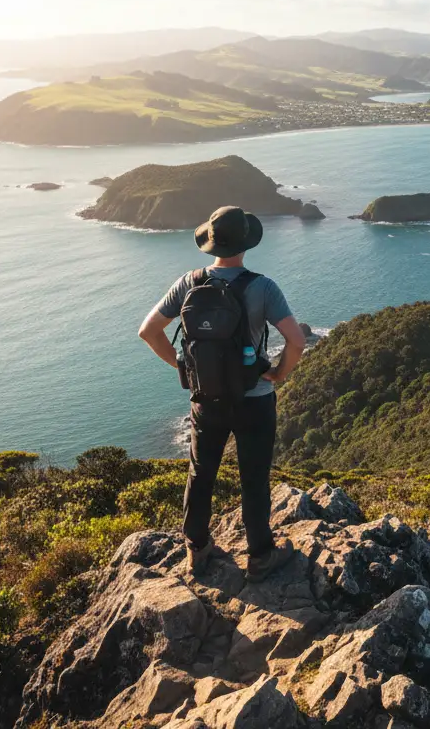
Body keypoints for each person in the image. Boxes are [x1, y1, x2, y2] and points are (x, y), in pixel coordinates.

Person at [138, 205, 306, 578]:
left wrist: (185, 369)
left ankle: (197, 549)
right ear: (246, 243)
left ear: (211, 242)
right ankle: (260, 555)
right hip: (254, 399)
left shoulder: (189, 282)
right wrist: (278, 374)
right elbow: (296, 340)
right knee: (253, 477)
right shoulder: (262, 286)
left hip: (206, 400)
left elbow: (148, 332)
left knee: (201, 473)